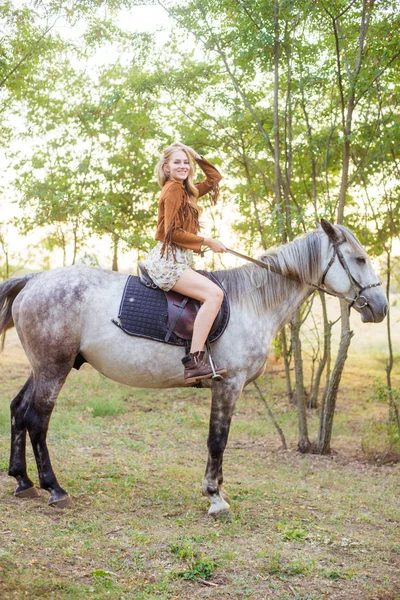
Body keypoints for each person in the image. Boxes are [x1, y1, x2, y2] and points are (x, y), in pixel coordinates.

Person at [144, 142, 227, 384]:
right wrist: (207, 241)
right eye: (177, 162)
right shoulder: (172, 190)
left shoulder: (187, 191)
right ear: (167, 168)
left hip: (181, 259)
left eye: (185, 162)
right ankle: (194, 362)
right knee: (214, 295)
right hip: (168, 261)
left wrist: (194, 153)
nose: (183, 166)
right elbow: (171, 233)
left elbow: (214, 178)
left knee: (211, 292)